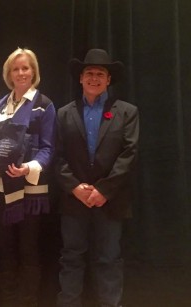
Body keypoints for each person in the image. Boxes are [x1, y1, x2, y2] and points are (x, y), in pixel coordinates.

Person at [55, 49, 139, 307]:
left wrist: (103, 190)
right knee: (71, 258)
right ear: (80, 78)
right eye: (89, 73)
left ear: (108, 80)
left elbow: (129, 155)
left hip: (110, 201)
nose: (94, 78)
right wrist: (74, 187)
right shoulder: (63, 113)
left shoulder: (127, 112)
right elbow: (57, 157)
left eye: (100, 74)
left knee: (108, 259)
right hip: (74, 199)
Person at [0, 48, 56, 307]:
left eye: (26, 68)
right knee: (5, 248)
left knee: (28, 249)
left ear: (33, 71)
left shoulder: (44, 104)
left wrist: (29, 168)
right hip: (1, 187)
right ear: (9, 74)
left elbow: (48, 147)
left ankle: (27, 302)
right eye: (16, 69)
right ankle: (9, 301)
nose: (21, 73)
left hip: (29, 189)